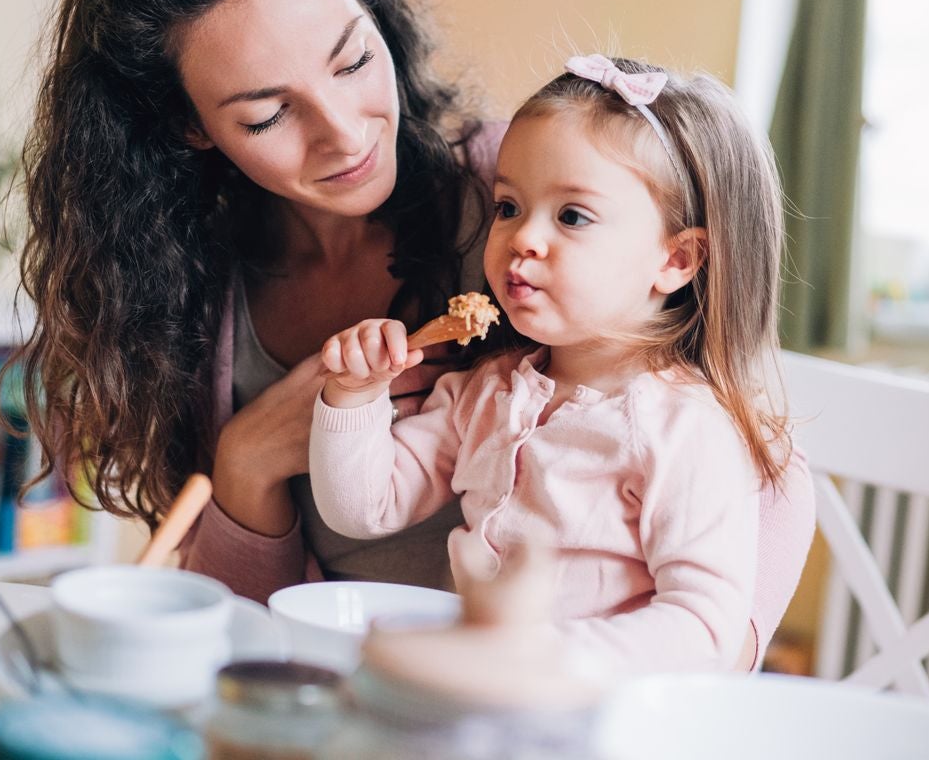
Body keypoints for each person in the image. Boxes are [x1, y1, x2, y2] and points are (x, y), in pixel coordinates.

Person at [15, 0, 814, 668]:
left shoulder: (534, 189)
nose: (344, 131)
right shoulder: (187, 292)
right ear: (191, 127)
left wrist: (670, 665)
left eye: (354, 61)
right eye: (264, 116)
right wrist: (246, 461)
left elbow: (759, 468)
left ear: (376, 15)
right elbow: (240, 632)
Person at [309, 54, 806, 673]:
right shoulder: (486, 393)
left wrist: (534, 657)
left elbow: (703, 630)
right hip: (477, 708)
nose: (522, 238)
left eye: (572, 216)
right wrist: (353, 397)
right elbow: (361, 508)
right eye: (508, 206)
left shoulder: (685, 428)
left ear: (676, 260)